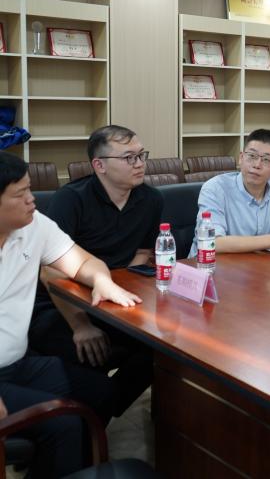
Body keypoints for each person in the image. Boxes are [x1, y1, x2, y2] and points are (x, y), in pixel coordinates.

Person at [0, 151, 140, 477]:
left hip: (18, 364)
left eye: (29, 189)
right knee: (64, 425)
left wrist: (101, 281)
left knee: (101, 393)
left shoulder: (34, 226)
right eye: (20, 194)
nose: (32, 200)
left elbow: (83, 262)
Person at [30, 125, 160, 417]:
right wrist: (80, 325)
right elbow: (50, 272)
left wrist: (128, 309)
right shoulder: (71, 199)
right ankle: (86, 423)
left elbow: (141, 255)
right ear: (99, 165)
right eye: (129, 158)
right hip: (58, 302)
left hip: (111, 299)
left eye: (142, 155)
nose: (139, 164)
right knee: (88, 356)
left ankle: (98, 418)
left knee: (161, 349)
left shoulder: (151, 199)